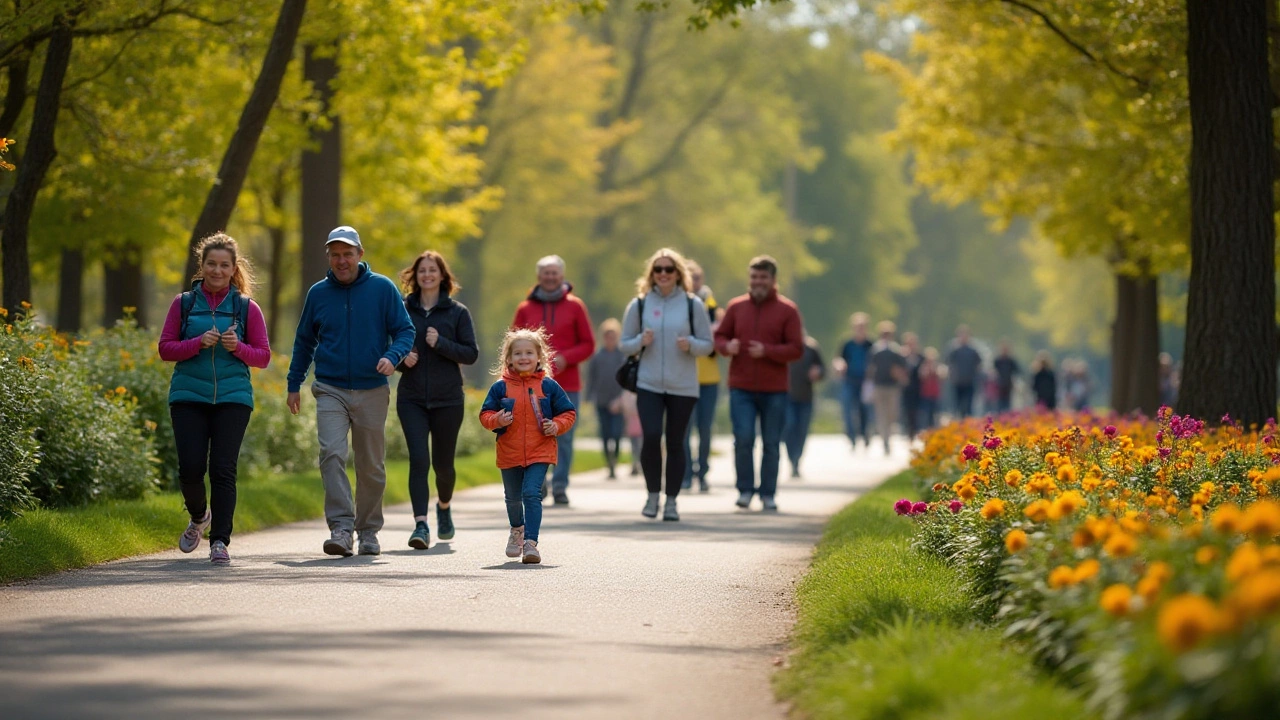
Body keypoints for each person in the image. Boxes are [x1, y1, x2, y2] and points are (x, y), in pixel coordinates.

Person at [287, 226, 415, 557]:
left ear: (360, 254)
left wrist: (392, 355)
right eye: (335, 254)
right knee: (331, 452)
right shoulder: (318, 293)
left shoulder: (382, 289)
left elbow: (405, 330)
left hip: (372, 388)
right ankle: (342, 528)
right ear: (328, 257)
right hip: (330, 387)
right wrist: (293, 384)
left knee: (371, 464)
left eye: (347, 254)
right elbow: (304, 341)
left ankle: (369, 530)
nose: (341, 261)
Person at [159, 233, 271, 566]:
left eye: (224, 265)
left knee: (223, 469)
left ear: (234, 268)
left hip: (233, 397)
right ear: (202, 265)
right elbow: (165, 348)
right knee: (191, 468)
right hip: (188, 395)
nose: (217, 270)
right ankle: (198, 517)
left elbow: (263, 357)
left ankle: (220, 541)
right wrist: (195, 343)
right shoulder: (184, 303)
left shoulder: (246, 307)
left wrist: (238, 348)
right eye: (211, 264)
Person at [620, 249, 714, 521]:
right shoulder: (639, 304)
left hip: (682, 386)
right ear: (651, 274)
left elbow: (708, 344)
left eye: (668, 269)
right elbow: (625, 344)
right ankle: (652, 496)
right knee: (650, 437)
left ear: (678, 274)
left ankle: (671, 501)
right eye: (658, 269)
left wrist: (691, 345)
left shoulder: (692, 304)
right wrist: (640, 341)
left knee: (676, 442)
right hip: (648, 383)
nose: (663, 274)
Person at [395, 250, 478, 550]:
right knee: (419, 460)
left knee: (443, 465)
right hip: (412, 398)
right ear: (415, 276)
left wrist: (439, 343)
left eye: (433, 270)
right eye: (422, 270)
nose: (427, 275)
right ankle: (420, 525)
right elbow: (388, 348)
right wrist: (403, 360)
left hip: (448, 399)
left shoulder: (457, 312)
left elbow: (471, 353)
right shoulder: (403, 309)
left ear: (443, 276)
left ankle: (444, 506)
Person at [714, 255, 804, 512]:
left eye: (763, 277)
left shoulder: (788, 310)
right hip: (740, 386)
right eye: (754, 277)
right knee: (742, 438)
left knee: (772, 443)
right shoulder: (736, 307)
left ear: (773, 280)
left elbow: (797, 349)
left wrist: (767, 351)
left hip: (774, 388)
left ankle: (768, 494)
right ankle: (744, 490)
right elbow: (720, 336)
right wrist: (725, 346)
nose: (758, 282)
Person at [478, 328, 577, 564]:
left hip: (540, 450)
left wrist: (556, 425)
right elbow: (485, 415)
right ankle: (517, 531)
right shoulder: (500, 388)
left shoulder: (549, 386)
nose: (524, 358)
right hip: (509, 451)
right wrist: (497, 420)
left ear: (539, 357)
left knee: (531, 493)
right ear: (509, 358)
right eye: (518, 353)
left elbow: (569, 413)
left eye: (529, 353)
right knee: (512, 498)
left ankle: (531, 543)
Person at [511, 255, 595, 506]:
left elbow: (589, 344)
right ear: (539, 277)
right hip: (532, 384)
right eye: (545, 273)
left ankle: (560, 485)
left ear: (562, 276)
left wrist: (567, 358)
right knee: (535, 433)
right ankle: (540, 484)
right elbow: (513, 345)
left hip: (567, 383)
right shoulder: (525, 308)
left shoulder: (575, 306)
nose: (550, 277)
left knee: (564, 435)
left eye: (554, 273)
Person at [682, 260, 722, 493]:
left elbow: (720, 339)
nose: (693, 282)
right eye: (689, 278)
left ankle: (703, 472)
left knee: (705, 427)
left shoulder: (713, 307)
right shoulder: (679, 306)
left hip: (709, 377)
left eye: (696, 277)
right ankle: (687, 473)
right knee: (684, 428)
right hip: (685, 376)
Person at [585, 318, 627, 479]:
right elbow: (592, 377)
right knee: (605, 433)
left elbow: (626, 379)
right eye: (607, 336)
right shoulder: (597, 356)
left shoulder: (622, 356)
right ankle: (608, 463)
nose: (610, 339)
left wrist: (623, 399)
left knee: (616, 433)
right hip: (601, 400)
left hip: (618, 402)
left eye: (613, 336)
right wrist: (589, 397)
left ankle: (614, 459)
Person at [784, 335, 825, 479]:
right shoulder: (783, 347)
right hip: (786, 397)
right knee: (789, 427)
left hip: (806, 398)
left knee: (802, 430)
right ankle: (791, 458)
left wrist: (817, 372)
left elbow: (822, 370)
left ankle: (796, 460)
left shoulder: (811, 348)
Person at [833, 312, 873, 449]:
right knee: (848, 408)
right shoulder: (847, 344)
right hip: (850, 380)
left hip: (866, 382)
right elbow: (839, 359)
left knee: (865, 409)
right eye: (858, 326)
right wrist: (840, 365)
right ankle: (851, 436)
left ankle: (864, 433)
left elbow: (875, 362)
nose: (860, 329)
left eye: (863, 326)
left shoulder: (870, 344)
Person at [868, 321, 907, 455]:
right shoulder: (875, 350)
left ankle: (888, 435)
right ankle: (885, 440)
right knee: (881, 414)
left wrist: (899, 374)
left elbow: (903, 366)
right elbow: (870, 368)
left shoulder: (896, 350)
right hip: (879, 386)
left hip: (892, 386)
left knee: (892, 414)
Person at [947, 324, 982, 419]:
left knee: (968, 406)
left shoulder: (973, 350)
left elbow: (979, 365)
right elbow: (948, 363)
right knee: (957, 406)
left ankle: (968, 425)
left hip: (970, 382)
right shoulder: (954, 349)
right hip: (957, 382)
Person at [901, 332, 924, 441]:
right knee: (906, 410)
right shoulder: (902, 357)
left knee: (916, 411)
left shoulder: (920, 357)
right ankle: (907, 431)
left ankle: (914, 430)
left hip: (918, 387)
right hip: (905, 388)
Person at [918, 347, 942, 430]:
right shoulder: (923, 366)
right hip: (925, 393)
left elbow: (941, 376)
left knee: (935, 413)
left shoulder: (937, 366)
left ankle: (934, 428)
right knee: (926, 413)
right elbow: (922, 376)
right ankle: (926, 428)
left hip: (935, 393)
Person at [993, 341, 1020, 413]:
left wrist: (1015, 382)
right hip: (999, 385)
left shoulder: (1011, 361)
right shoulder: (997, 360)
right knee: (999, 403)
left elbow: (1017, 371)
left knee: (1007, 404)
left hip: (1008, 385)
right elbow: (993, 371)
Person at [621, 389, 642, 476]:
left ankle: (639, 464)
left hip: (641, 423)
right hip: (632, 423)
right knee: (634, 446)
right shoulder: (627, 392)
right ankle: (635, 464)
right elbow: (625, 406)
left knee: (640, 446)